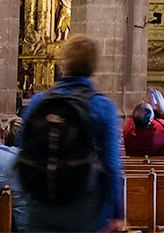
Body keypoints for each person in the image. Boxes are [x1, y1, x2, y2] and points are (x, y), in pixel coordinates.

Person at [16, 34, 123, 233]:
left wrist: (27, 198)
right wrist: (117, 212)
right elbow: (111, 165)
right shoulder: (101, 105)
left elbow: (22, 151)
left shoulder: (38, 102)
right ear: (92, 67)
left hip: (40, 204)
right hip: (83, 205)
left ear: (63, 65)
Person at [123, 91, 164, 156]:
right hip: (157, 165)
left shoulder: (128, 130)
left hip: (132, 165)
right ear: (151, 119)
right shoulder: (160, 129)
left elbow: (134, 118)